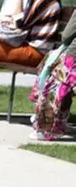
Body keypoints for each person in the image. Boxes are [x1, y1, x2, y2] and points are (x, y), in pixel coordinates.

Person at [30, 10, 76, 140]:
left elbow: (66, 36)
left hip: (74, 59)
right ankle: (55, 124)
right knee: (64, 86)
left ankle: (46, 128)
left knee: (54, 84)